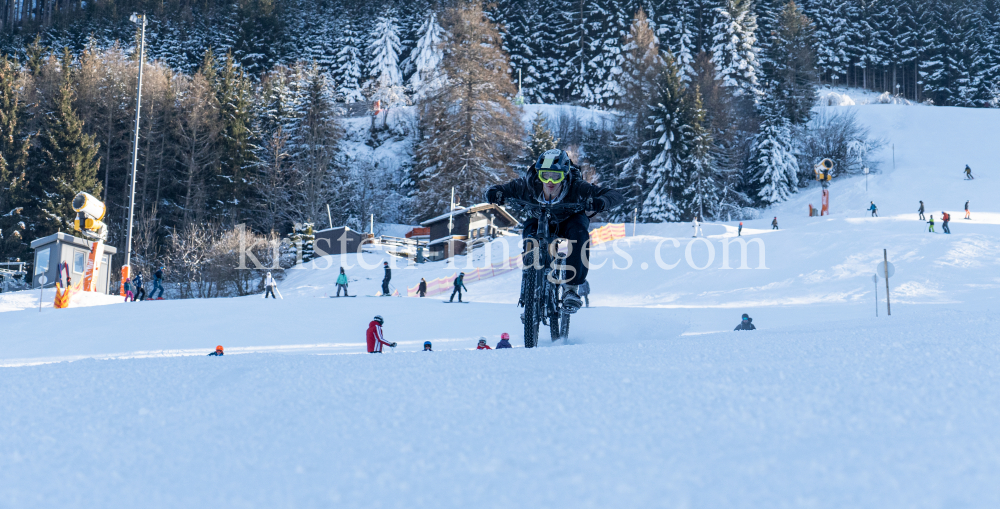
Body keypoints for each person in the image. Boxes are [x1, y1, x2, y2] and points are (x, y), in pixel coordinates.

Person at [485, 149, 624, 313]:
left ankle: (571, 290)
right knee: (530, 233)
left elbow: (615, 195)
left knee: (579, 234)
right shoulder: (528, 185)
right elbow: (495, 189)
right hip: (540, 218)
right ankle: (530, 282)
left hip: (569, 219)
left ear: (565, 175)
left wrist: (601, 202)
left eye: (556, 176)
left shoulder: (577, 187)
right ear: (539, 174)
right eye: (545, 175)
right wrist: (495, 194)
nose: (550, 181)